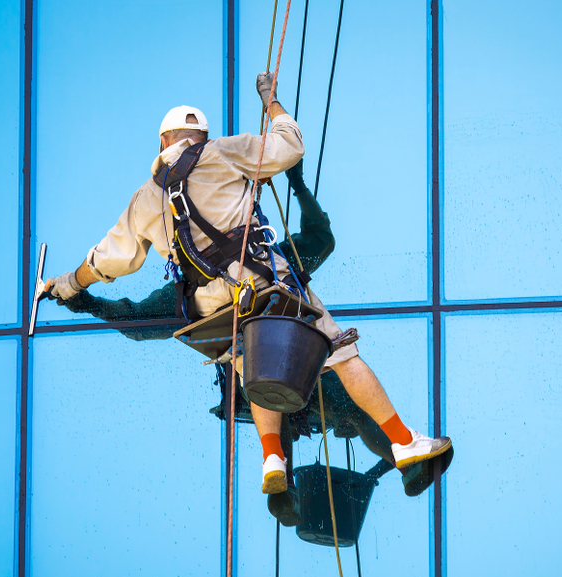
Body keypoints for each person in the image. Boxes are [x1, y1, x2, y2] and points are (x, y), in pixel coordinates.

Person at [44, 72, 452, 497]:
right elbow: (289, 144)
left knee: (254, 365)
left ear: (163, 143)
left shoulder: (146, 197)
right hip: (258, 282)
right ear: (200, 137)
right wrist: (271, 101)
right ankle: (405, 443)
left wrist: (69, 285)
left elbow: (107, 261)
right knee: (340, 351)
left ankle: (272, 458)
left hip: (211, 308)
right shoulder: (221, 151)